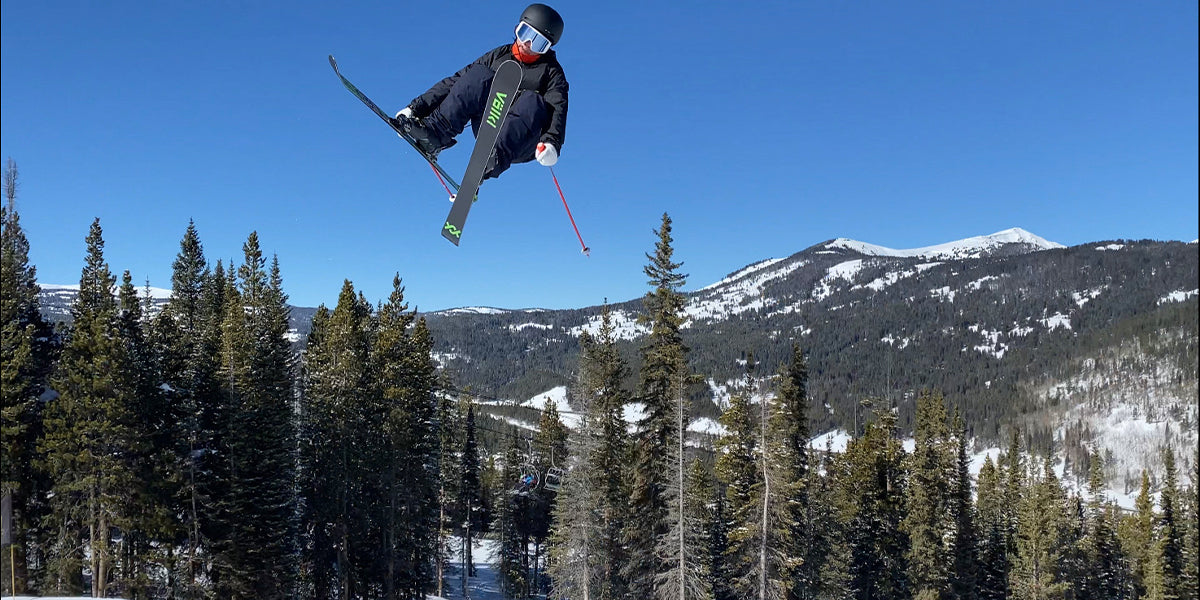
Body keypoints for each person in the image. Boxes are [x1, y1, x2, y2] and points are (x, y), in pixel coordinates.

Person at [394, 3, 568, 182]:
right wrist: (415, 108)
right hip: (491, 120)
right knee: (478, 74)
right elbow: (458, 81)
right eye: (525, 34)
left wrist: (551, 144)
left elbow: (557, 109)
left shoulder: (552, 72)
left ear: (547, 48)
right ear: (517, 29)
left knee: (532, 100)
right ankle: (436, 133)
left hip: (521, 140)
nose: (527, 44)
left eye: (538, 43)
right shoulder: (499, 55)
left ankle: (491, 159)